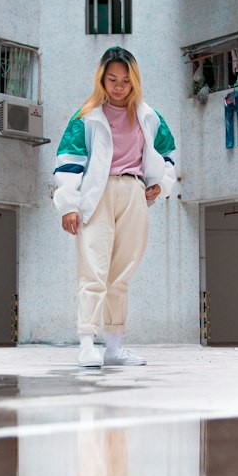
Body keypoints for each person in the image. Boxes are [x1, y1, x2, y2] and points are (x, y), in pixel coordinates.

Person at [53, 47, 177, 367]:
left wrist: (160, 185)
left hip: (134, 192)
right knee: (93, 268)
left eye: (125, 79)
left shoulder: (149, 117)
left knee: (121, 273)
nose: (119, 86)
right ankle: (86, 343)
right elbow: (68, 162)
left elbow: (169, 157)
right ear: (102, 79)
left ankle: (114, 347)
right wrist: (69, 204)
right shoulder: (87, 116)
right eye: (112, 79)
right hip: (98, 193)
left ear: (134, 80)